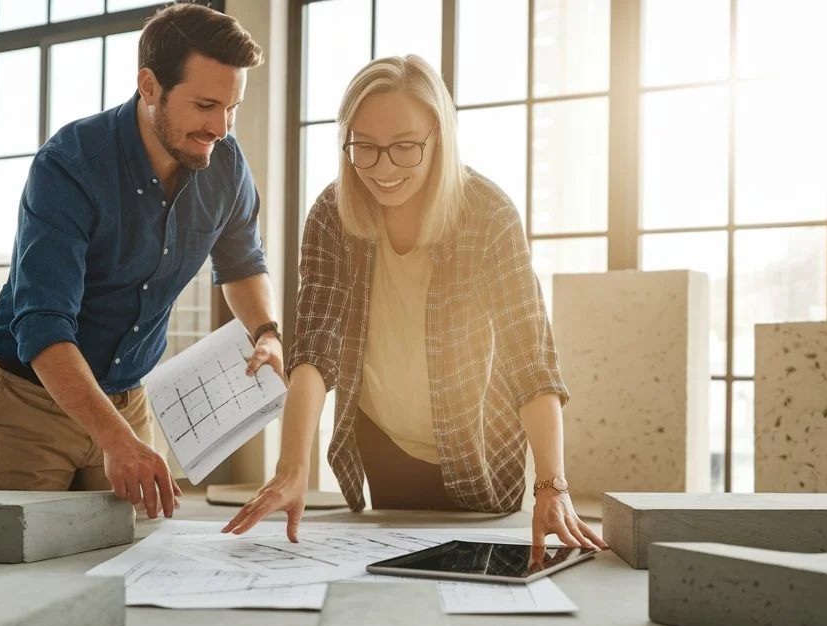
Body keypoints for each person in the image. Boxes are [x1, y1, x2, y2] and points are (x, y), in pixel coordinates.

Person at [222, 55, 607, 553]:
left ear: (439, 139)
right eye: (365, 147)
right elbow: (315, 350)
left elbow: (530, 360)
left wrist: (553, 486)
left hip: (481, 451)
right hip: (385, 443)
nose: (383, 169)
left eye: (405, 147)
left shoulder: (488, 215)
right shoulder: (332, 215)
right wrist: (291, 468)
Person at [0, 3, 285, 521]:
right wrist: (115, 441)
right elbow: (43, 327)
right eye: (206, 105)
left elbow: (243, 264)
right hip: (33, 401)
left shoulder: (226, 165)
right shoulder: (69, 166)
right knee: (30, 569)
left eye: (231, 107)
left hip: (128, 398)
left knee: (138, 561)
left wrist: (268, 332)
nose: (222, 127)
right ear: (149, 86)